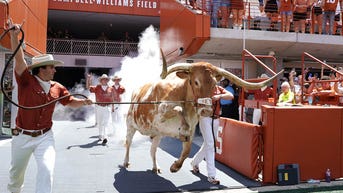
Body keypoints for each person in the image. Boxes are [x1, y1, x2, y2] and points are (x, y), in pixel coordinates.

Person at [7, 20, 93, 193]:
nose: (55, 70)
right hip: (22, 136)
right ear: (41, 69)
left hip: (45, 137)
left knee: (47, 170)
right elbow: (19, 58)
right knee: (16, 176)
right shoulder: (25, 80)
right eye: (52, 67)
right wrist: (13, 36)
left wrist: (84, 102)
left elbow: (70, 102)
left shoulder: (58, 87)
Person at [191, 84, 234, 185]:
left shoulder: (218, 88)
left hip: (216, 118)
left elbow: (231, 96)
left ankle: (194, 162)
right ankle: (211, 175)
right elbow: (194, 101)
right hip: (205, 117)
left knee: (208, 144)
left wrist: (219, 96)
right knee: (210, 144)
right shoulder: (201, 88)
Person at [86, 73, 114, 145]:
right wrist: (89, 79)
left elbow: (112, 99)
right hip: (99, 107)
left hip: (107, 107)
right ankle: (100, 135)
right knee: (100, 122)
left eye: (105, 79)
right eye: (103, 79)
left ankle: (105, 137)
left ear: (107, 80)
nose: (104, 80)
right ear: (101, 80)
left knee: (106, 123)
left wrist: (112, 107)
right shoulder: (97, 87)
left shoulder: (110, 88)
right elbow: (89, 88)